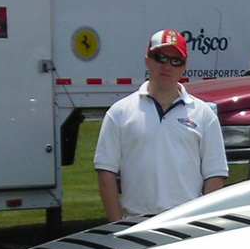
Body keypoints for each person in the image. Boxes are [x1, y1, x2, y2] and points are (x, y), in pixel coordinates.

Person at [94, 30, 228, 221]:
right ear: (147, 60)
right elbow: (106, 172)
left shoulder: (204, 114)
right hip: (136, 223)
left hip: (186, 224)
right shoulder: (120, 112)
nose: (167, 66)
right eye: (161, 58)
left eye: (176, 61)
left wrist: (204, 223)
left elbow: (215, 175)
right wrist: (116, 226)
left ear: (185, 67)